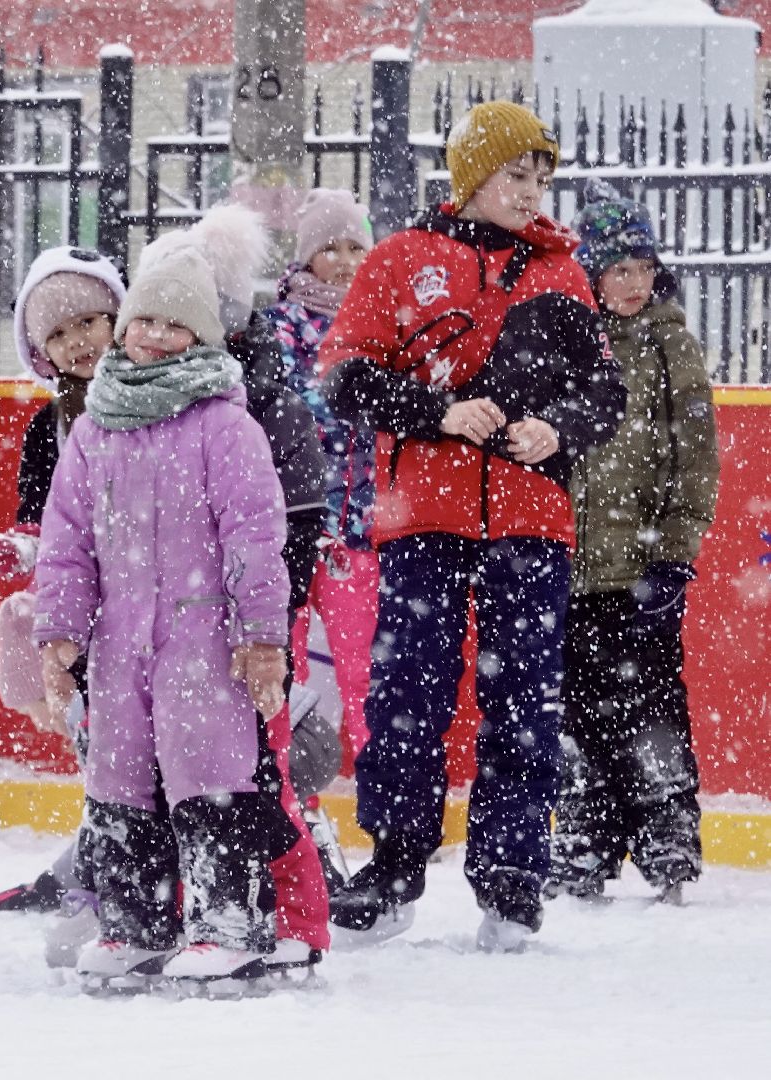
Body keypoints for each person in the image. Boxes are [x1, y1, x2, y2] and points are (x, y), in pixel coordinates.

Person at [316, 101, 626, 951]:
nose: (530, 193)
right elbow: (342, 377)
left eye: (540, 179)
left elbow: (604, 392)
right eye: (514, 175)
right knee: (406, 694)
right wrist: (439, 413)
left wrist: (556, 428)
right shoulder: (400, 257)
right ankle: (392, 868)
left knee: (523, 699)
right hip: (422, 517)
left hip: (532, 522)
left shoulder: (563, 273)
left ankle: (512, 880)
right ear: (470, 175)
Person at [34, 236, 300, 989]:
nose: (153, 334)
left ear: (202, 336)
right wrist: (58, 634)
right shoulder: (94, 429)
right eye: (143, 320)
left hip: (202, 638)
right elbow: (66, 542)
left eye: (174, 323)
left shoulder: (225, 426)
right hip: (120, 641)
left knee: (209, 773)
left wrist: (260, 636)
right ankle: (133, 924)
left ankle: (228, 924)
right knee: (118, 777)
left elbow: (255, 537)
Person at [546, 179, 719, 904]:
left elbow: (695, 457)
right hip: (572, 570)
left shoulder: (667, 340)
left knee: (651, 710)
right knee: (578, 715)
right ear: (591, 272)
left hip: (640, 568)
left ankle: (666, 845)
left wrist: (673, 553)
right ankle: (583, 846)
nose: (633, 283)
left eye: (644, 268)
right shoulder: (567, 340)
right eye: (619, 269)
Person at [0, 245, 125, 915]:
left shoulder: (157, 403)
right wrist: (21, 546)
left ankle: (119, 862)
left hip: (153, 601)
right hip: (87, 608)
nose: (77, 342)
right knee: (99, 737)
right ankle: (99, 858)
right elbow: (39, 517)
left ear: (119, 318)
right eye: (59, 334)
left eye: (88, 322)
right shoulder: (50, 427)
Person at [266, 188, 378, 769]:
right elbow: (283, 408)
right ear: (306, 256)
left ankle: (379, 781)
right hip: (291, 521)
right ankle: (285, 780)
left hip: (362, 528)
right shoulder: (280, 326)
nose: (344, 261)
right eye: (330, 248)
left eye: (355, 248)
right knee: (284, 662)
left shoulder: (384, 324)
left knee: (365, 665)